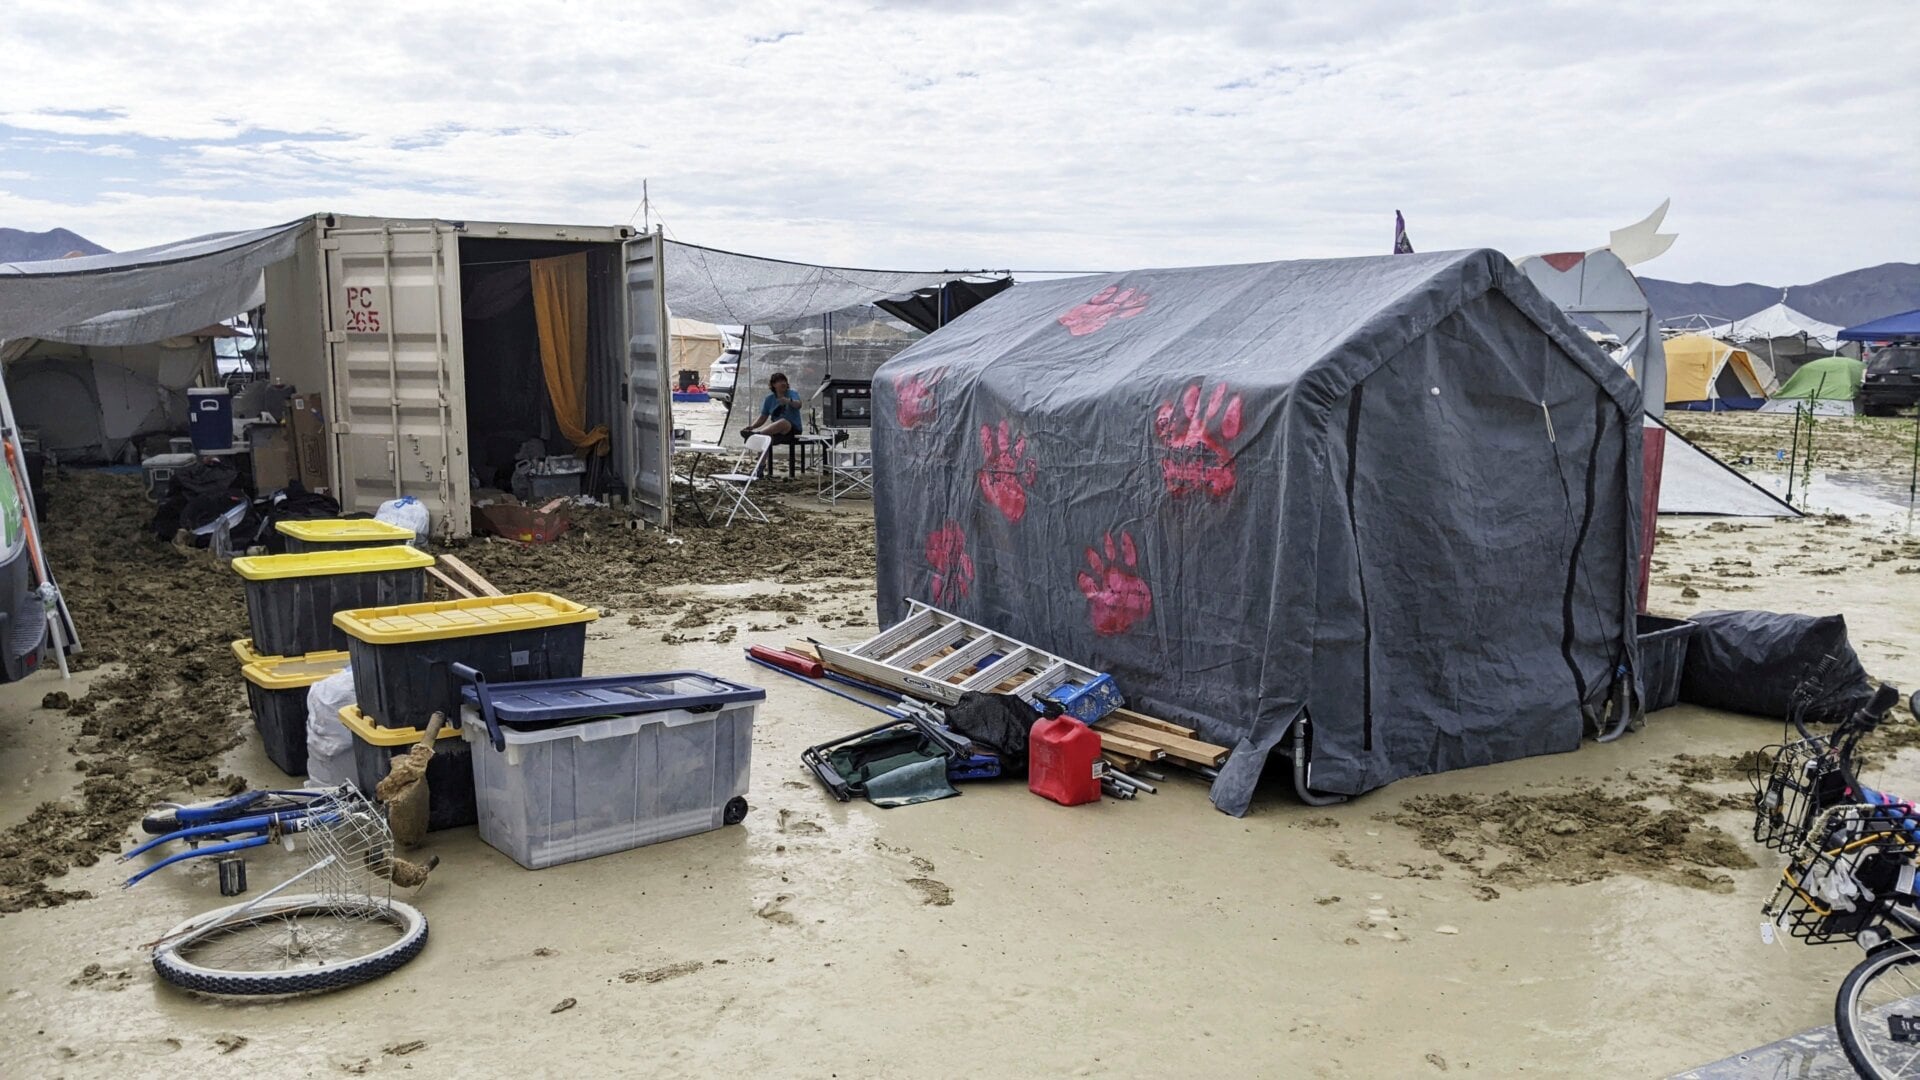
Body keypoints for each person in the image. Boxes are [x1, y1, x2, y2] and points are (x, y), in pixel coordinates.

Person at [742, 372, 804, 441]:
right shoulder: (769, 399)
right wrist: (752, 427)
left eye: (784, 381)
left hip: (793, 431)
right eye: (780, 381)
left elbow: (799, 405)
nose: (783, 383)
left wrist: (789, 401)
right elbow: (762, 417)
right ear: (774, 384)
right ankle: (758, 440)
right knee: (765, 441)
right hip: (777, 431)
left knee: (783, 422)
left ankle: (756, 435)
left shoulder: (792, 393)